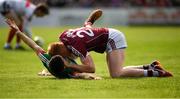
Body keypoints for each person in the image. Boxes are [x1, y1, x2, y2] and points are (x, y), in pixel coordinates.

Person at [46, 9, 173, 78]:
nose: (64, 58)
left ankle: (156, 73)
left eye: (62, 56)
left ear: (61, 51)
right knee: (117, 71)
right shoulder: (64, 35)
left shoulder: (75, 47)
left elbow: (91, 68)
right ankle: (150, 66)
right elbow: (84, 32)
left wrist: (69, 65)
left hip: (112, 38)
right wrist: (88, 24)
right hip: (108, 36)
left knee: (116, 74)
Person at [5, 19, 102, 80]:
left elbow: (33, 45)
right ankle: (45, 72)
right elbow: (80, 75)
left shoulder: (47, 59)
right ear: (65, 65)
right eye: (65, 59)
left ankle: (45, 72)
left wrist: (18, 31)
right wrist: (92, 77)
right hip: (71, 67)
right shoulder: (68, 71)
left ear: (51, 58)